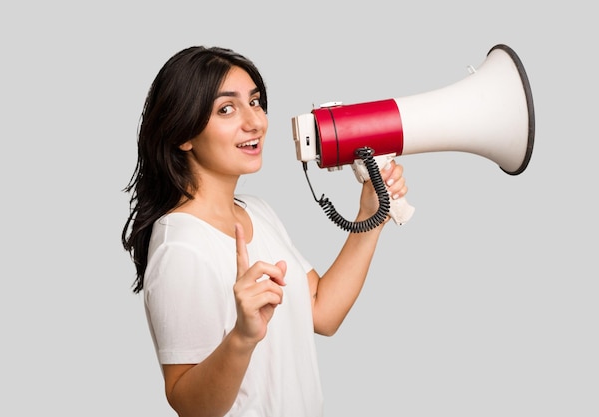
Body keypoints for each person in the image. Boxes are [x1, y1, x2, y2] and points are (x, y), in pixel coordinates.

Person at [121, 45, 408, 417]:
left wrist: (372, 213)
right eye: (226, 108)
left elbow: (322, 311)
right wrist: (242, 337)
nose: (255, 122)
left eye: (255, 102)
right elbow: (188, 404)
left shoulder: (256, 211)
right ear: (183, 133)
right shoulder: (181, 247)